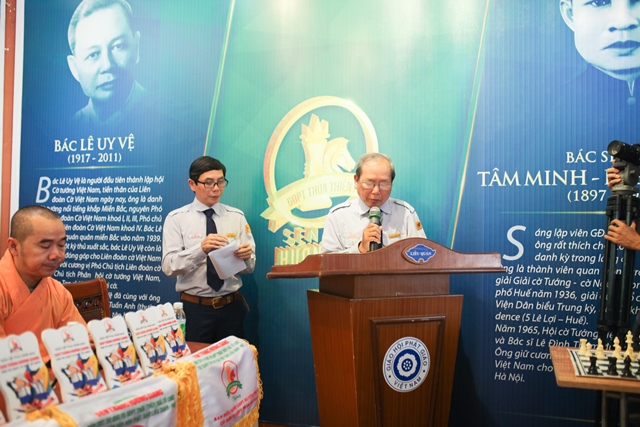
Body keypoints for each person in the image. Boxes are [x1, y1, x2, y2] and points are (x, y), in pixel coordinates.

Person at [162, 156, 256, 344]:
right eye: (209, 183)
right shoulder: (177, 218)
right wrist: (200, 249)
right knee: (195, 360)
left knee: (233, 361)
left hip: (230, 307)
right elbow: (169, 266)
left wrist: (246, 257)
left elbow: (250, 267)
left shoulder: (236, 217)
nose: (216, 188)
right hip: (195, 310)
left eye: (220, 182)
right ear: (192, 184)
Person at [0, 206, 86, 360]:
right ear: (14, 247)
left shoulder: (58, 293)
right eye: (45, 246)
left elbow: (81, 344)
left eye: (61, 245)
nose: (56, 255)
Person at [321, 153, 426, 254]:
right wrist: (360, 248)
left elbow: (421, 256)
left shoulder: (405, 214)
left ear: (391, 184)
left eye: (383, 184)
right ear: (356, 181)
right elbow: (327, 261)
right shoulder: (338, 216)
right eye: (369, 183)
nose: (376, 191)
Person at [67, 0, 146, 127]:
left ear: (136, 47)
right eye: (93, 54)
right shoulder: (70, 126)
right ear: (75, 69)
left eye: (118, 46)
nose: (107, 65)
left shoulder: (171, 117)